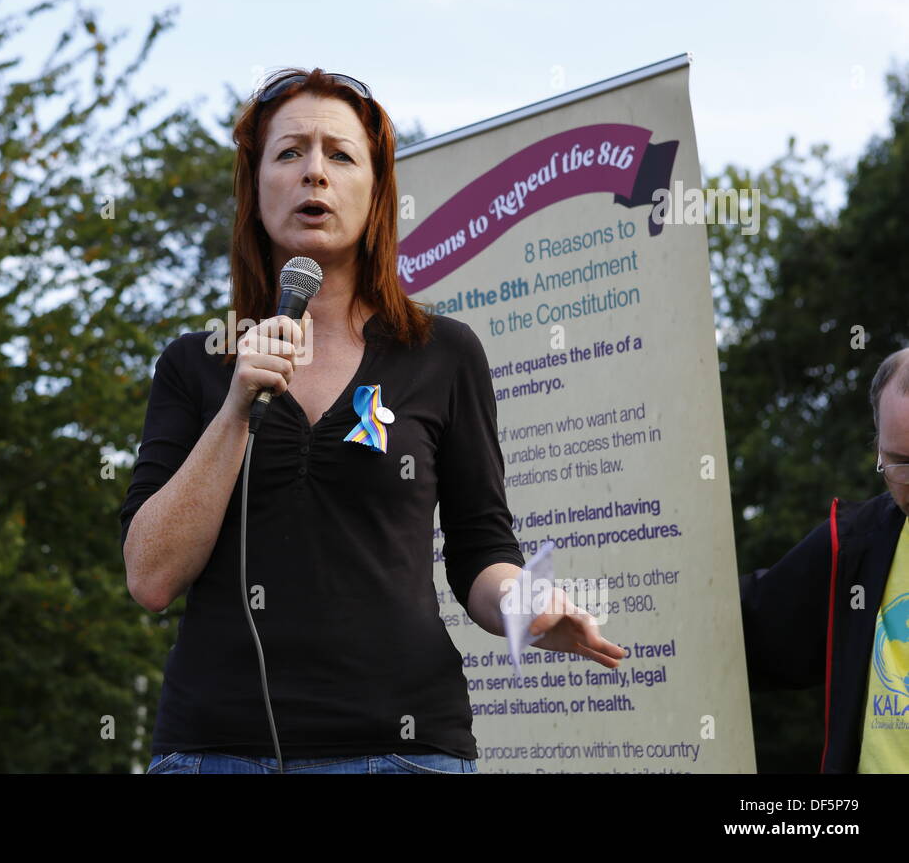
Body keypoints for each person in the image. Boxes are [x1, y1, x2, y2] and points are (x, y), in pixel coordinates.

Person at [120, 67, 625, 775]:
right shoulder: (193, 365)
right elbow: (149, 576)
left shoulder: (443, 355)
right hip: (215, 751)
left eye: (340, 155)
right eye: (290, 152)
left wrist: (525, 605)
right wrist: (237, 407)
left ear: (376, 193)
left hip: (403, 750)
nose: (314, 175)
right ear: (254, 186)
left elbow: (480, 549)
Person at [740, 346, 909, 772]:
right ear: (878, 450)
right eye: (902, 463)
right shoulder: (855, 547)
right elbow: (738, 627)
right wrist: (604, 606)